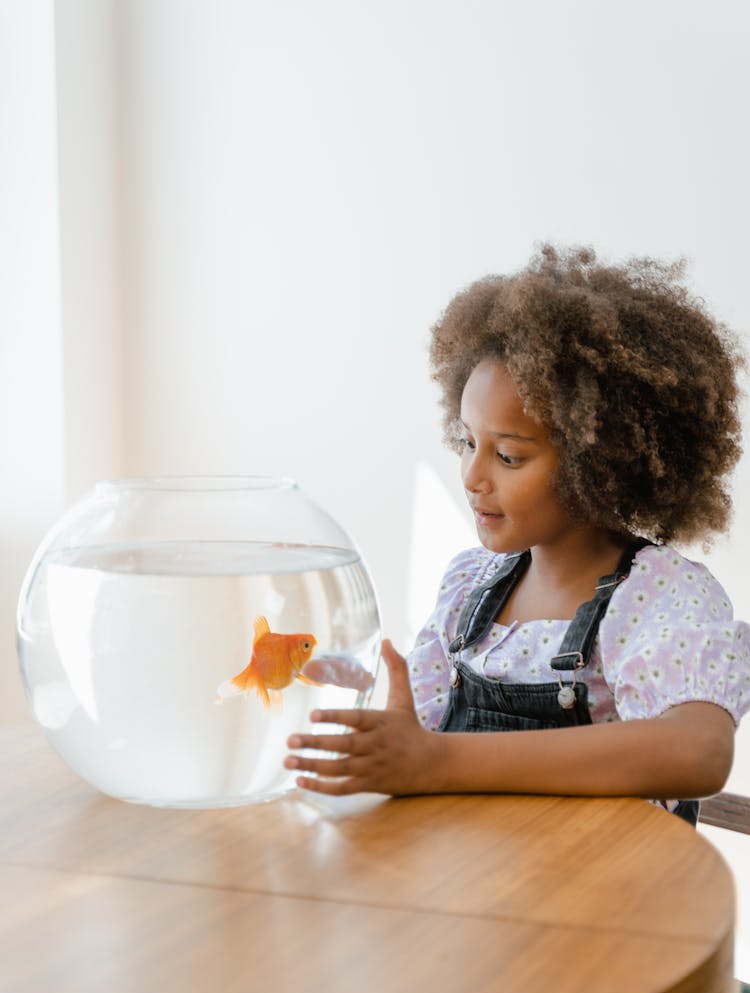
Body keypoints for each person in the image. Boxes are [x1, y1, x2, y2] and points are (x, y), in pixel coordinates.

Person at [284, 244, 750, 822]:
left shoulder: (658, 597)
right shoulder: (469, 589)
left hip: (602, 903)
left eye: (507, 456)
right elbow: (421, 740)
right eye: (467, 443)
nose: (473, 476)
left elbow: (697, 753)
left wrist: (440, 762)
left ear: (599, 462)